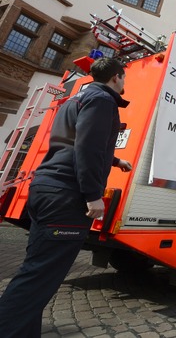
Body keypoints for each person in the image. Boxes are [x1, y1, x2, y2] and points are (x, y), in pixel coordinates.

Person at [0, 57, 133, 337]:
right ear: (117, 78)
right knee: (37, 279)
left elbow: (73, 142)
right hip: (66, 195)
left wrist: (115, 160)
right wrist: (93, 195)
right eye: (124, 77)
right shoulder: (103, 100)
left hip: (47, 187)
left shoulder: (78, 98)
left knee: (36, 271)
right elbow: (87, 147)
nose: (124, 82)